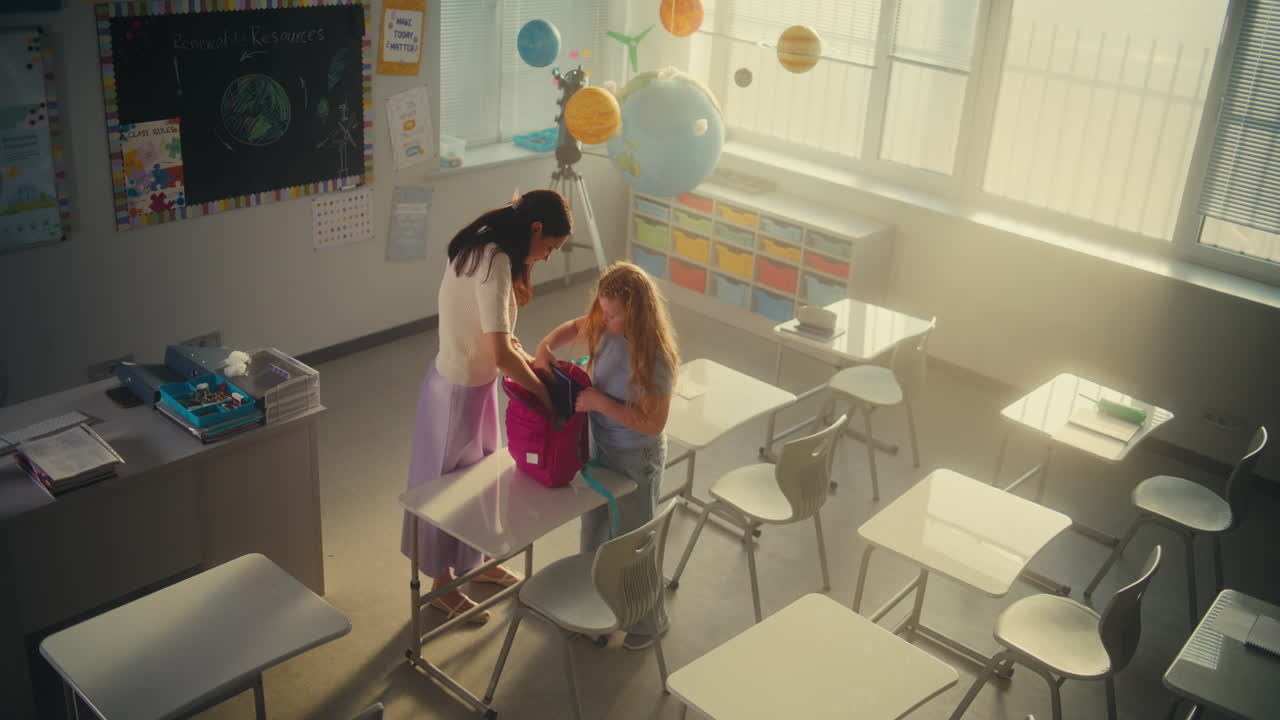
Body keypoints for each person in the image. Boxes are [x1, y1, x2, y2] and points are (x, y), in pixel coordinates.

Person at [401, 189, 571, 625]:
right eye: (550, 247)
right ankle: (441, 585)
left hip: (475, 385)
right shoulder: (493, 260)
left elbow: (498, 339)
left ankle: (475, 564)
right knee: (444, 489)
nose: (548, 257)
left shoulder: (485, 247)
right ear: (535, 229)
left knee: (479, 481)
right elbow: (499, 353)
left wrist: (529, 363)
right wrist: (543, 394)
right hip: (457, 390)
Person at [534, 262, 679, 649]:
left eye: (614, 314)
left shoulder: (655, 359)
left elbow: (652, 424)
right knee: (596, 528)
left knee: (631, 540)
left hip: (636, 456)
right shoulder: (604, 325)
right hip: (601, 448)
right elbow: (576, 326)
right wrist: (546, 346)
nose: (605, 319)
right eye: (603, 310)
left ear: (637, 312)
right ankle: (594, 607)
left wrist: (600, 403)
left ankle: (648, 621)